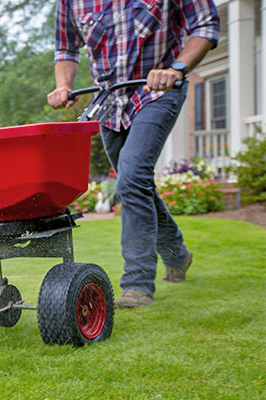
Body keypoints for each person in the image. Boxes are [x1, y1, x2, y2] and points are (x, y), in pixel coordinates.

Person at [47, 0, 220, 308]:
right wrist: (63, 85)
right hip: (109, 100)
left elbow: (205, 26)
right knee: (134, 182)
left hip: (157, 91)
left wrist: (176, 68)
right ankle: (178, 255)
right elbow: (67, 48)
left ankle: (137, 285)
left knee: (132, 178)